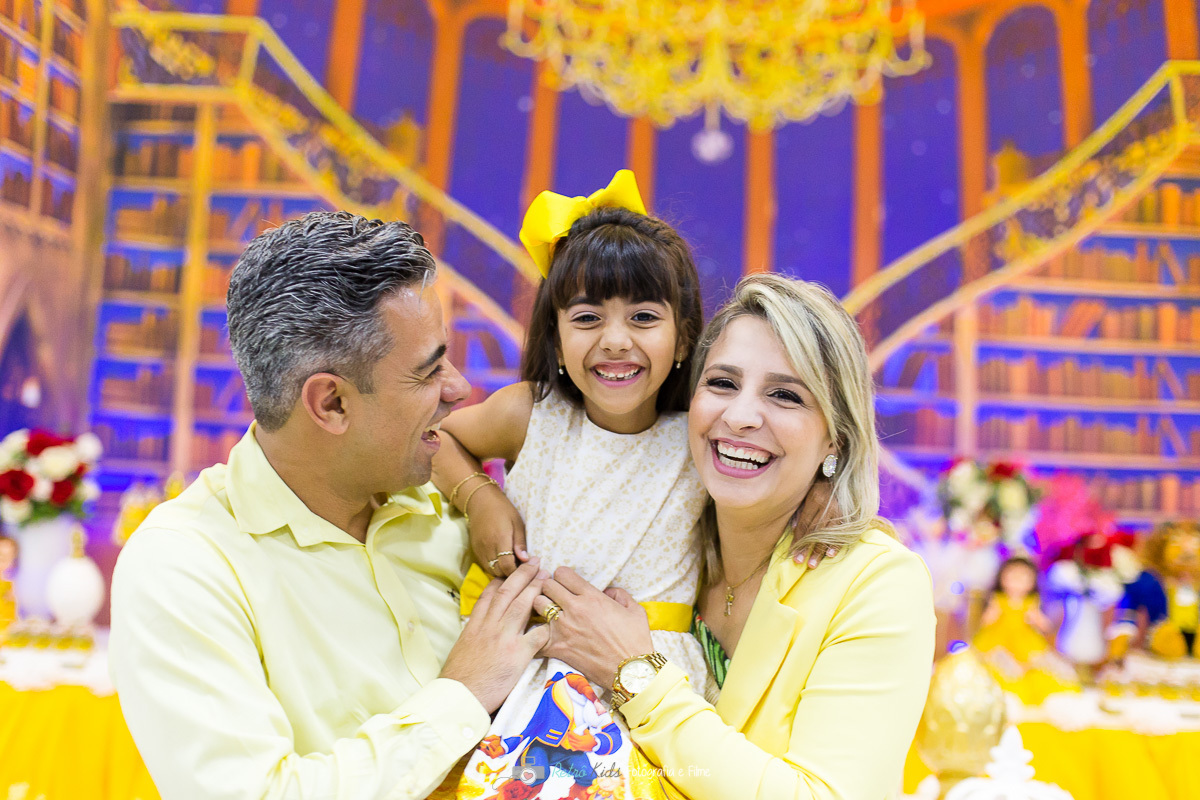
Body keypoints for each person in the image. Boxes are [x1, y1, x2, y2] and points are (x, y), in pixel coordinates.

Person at [109, 211, 549, 799]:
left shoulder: (451, 504)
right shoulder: (185, 567)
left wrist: (477, 492)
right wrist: (463, 695)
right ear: (332, 403)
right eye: (427, 372)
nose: (459, 388)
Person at [535, 274, 936, 799]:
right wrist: (478, 492)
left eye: (785, 395)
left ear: (836, 436)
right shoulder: (660, 530)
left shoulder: (877, 582)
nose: (740, 416)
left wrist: (636, 675)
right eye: (722, 383)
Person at [429, 170, 716, 800]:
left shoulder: (701, 436)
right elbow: (438, 438)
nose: (615, 340)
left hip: (643, 681)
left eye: (644, 317)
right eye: (587, 317)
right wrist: (478, 496)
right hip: (523, 666)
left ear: (684, 337)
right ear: (555, 339)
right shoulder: (528, 413)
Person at [974, 555, 1078, 703]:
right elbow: (985, 622)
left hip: (1025, 640)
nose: (1017, 581)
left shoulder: (1032, 602)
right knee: (998, 666)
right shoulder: (997, 599)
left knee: (1036, 666)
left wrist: (1037, 620)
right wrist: (992, 613)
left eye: (1023, 577)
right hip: (998, 639)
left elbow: (1045, 625)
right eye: (1012, 576)